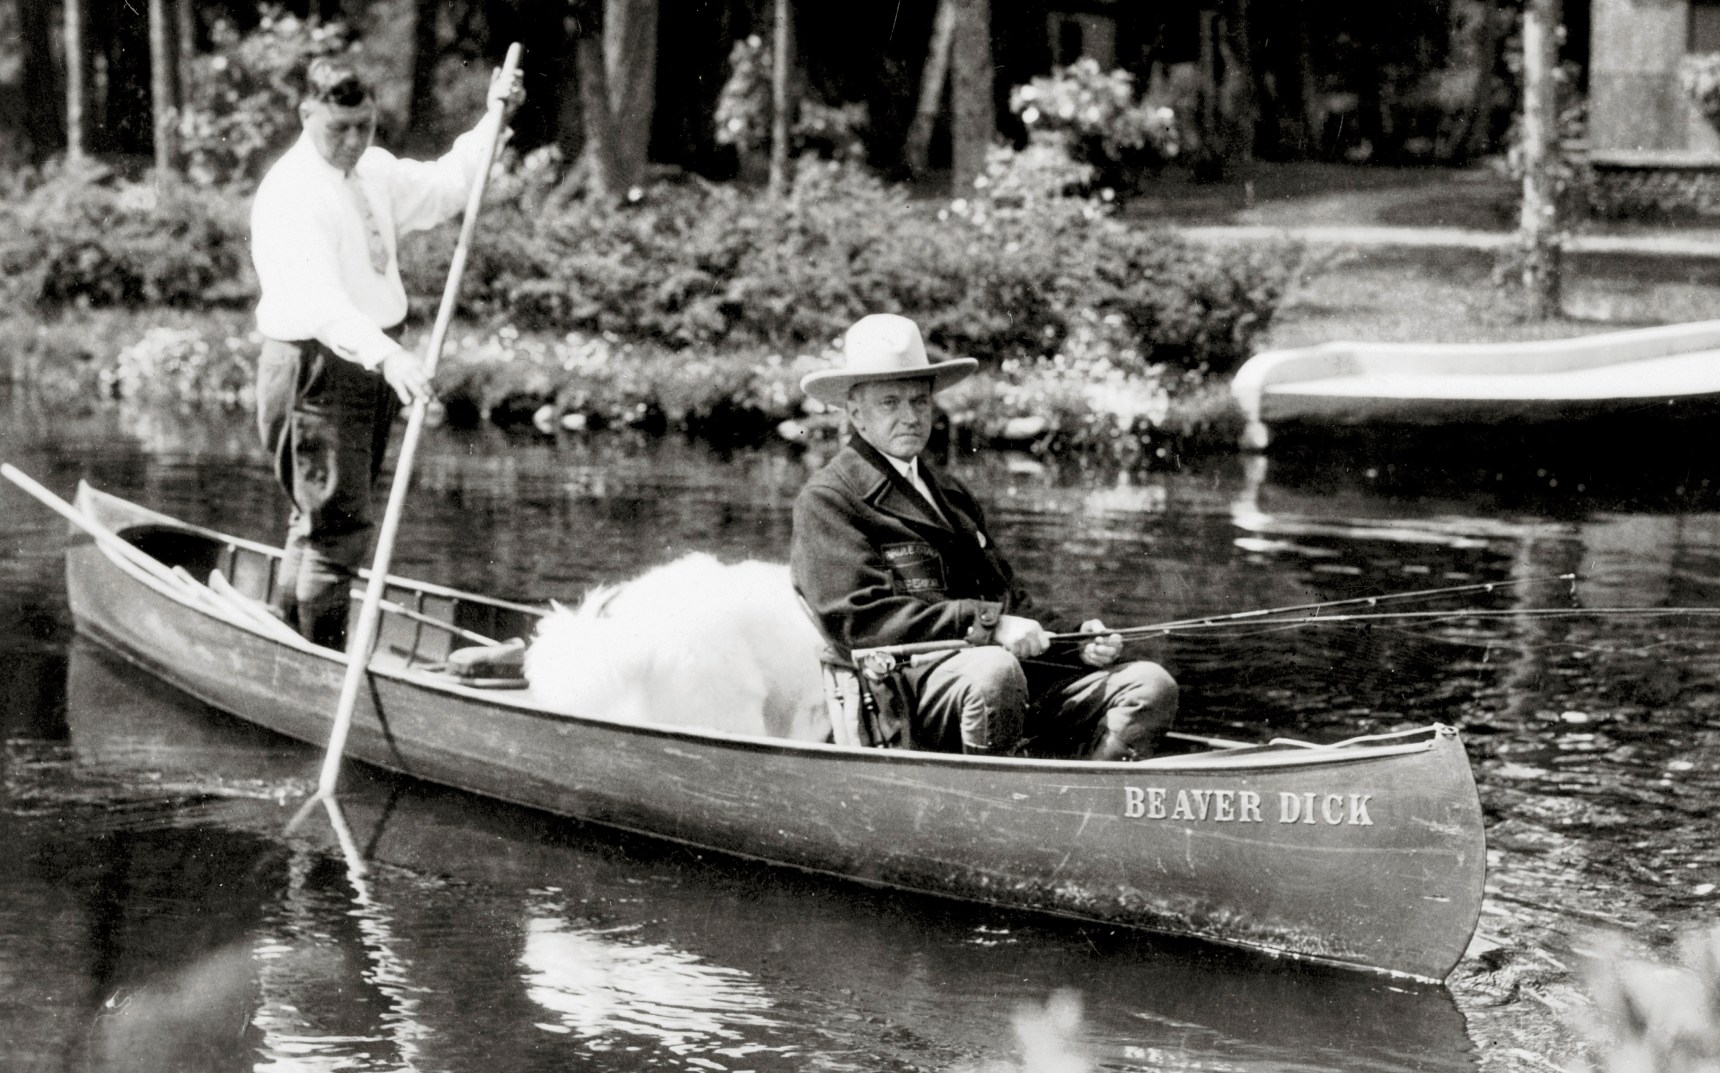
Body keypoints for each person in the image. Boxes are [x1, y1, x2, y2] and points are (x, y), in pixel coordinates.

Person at [790, 313, 1179, 760]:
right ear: (855, 413)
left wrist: (1077, 641)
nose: (910, 417)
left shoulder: (949, 492)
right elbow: (859, 622)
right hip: (900, 699)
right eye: (890, 403)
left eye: (920, 402)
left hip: (997, 683)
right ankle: (999, 808)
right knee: (995, 671)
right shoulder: (829, 499)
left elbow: (1005, 597)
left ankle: (1085, 799)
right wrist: (991, 627)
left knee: (1149, 686)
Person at [251, 56, 524, 647]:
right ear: (307, 114)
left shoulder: (373, 172)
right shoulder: (293, 193)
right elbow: (320, 301)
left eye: (364, 127)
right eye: (338, 128)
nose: (353, 142)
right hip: (316, 367)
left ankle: (285, 640)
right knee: (338, 527)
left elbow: (450, 186)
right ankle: (319, 663)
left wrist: (494, 118)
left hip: (366, 364)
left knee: (324, 522)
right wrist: (388, 356)